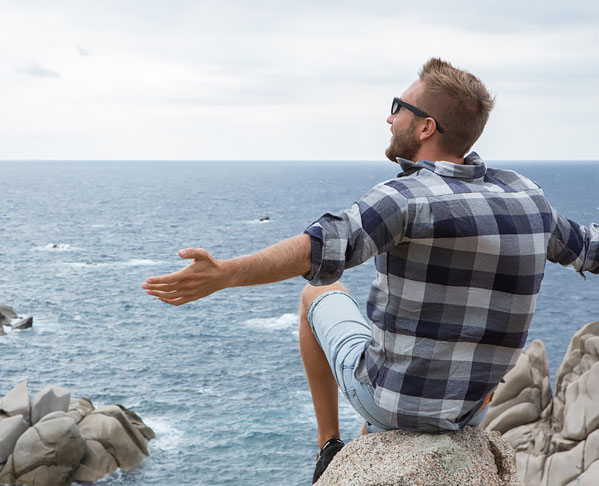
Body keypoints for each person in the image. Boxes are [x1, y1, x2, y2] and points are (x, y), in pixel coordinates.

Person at [142, 58, 599, 484]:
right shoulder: (529, 198)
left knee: (315, 297)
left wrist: (226, 273)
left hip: (393, 406)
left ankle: (327, 448)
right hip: (470, 412)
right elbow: (591, 249)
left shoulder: (405, 196)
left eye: (397, 108)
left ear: (426, 126)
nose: (389, 117)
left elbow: (317, 249)